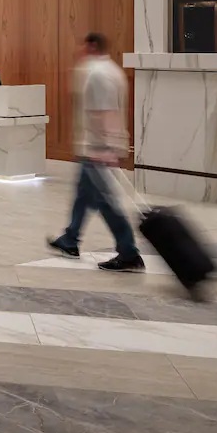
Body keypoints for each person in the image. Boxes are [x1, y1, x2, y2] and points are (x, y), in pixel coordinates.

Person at [47, 32, 144, 273]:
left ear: (90, 46)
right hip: (94, 147)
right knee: (83, 194)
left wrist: (107, 148)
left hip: (97, 149)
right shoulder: (110, 70)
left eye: (81, 45)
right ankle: (70, 239)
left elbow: (105, 113)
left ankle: (129, 252)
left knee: (105, 202)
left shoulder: (98, 75)